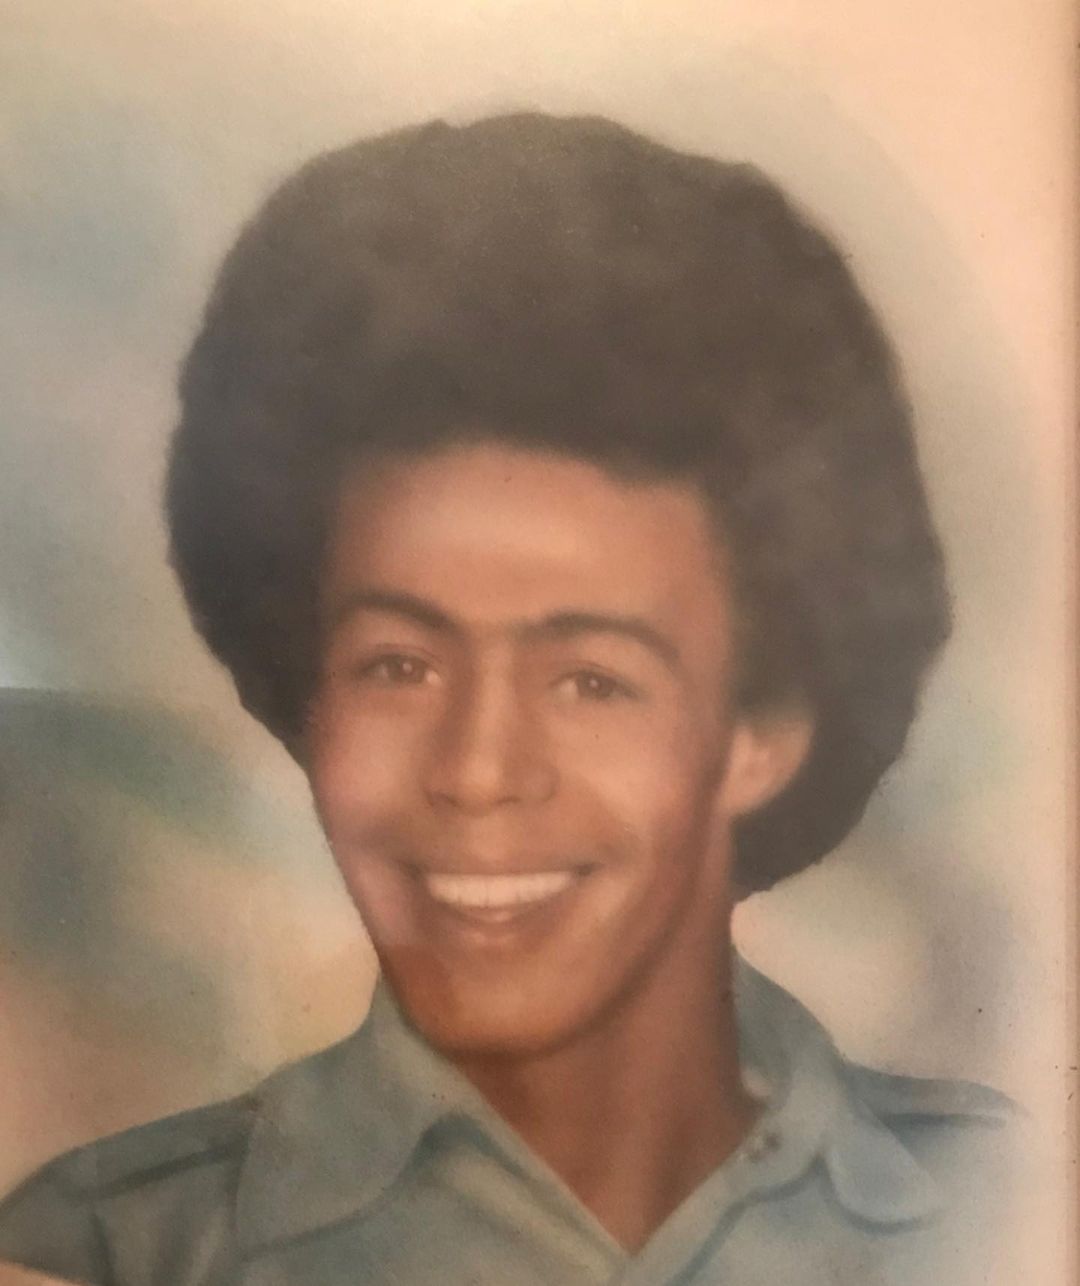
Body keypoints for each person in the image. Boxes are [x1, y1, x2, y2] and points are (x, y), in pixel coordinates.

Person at [0, 112, 1016, 1284]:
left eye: (591, 680)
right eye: (399, 665)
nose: (477, 767)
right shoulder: (111, 1248)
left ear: (763, 733)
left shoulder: (1006, 1206)